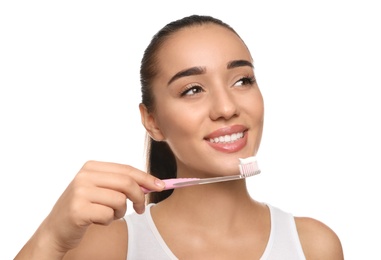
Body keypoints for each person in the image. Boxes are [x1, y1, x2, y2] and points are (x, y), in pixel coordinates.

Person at [15, 14, 344, 259]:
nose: (226, 107)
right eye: (193, 89)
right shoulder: (107, 247)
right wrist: (51, 237)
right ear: (153, 121)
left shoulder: (314, 246)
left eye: (242, 80)